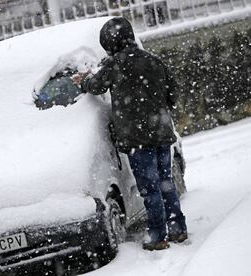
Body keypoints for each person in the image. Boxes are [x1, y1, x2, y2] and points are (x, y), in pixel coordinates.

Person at [74, 17, 187, 251]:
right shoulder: (154, 61)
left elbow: (95, 86)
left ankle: (158, 236)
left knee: (150, 189)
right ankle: (178, 229)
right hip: (162, 134)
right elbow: (173, 94)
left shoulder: (115, 65)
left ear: (109, 43)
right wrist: (157, 108)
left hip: (137, 140)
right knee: (166, 184)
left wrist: (84, 79)